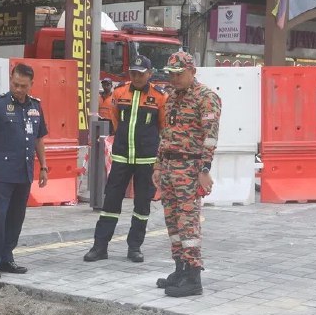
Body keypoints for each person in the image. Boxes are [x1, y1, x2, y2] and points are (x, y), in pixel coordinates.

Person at [84, 55, 167, 263]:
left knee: (142, 206)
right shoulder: (119, 92)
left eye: (141, 73)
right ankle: (100, 247)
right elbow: (114, 118)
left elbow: (164, 127)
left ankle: (135, 247)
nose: (136, 77)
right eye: (133, 73)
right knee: (110, 203)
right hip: (121, 157)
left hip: (146, 160)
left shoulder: (160, 97)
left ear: (149, 74)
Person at [153, 51, 221, 297]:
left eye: (179, 74)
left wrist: (205, 169)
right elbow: (166, 135)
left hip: (190, 168)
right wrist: (158, 165)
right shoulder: (171, 98)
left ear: (192, 71)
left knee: (188, 222)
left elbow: (210, 136)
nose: (174, 79)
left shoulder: (206, 98)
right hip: (170, 168)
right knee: (172, 220)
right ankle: (180, 268)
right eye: (171, 74)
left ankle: (193, 277)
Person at [0, 63, 49, 279]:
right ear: (11, 79)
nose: (18, 89)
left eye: (23, 86)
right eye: (15, 84)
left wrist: (44, 166)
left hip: (24, 171)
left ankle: (6, 258)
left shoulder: (35, 106)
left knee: (16, 217)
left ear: (31, 85)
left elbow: (39, 139)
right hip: (2, 172)